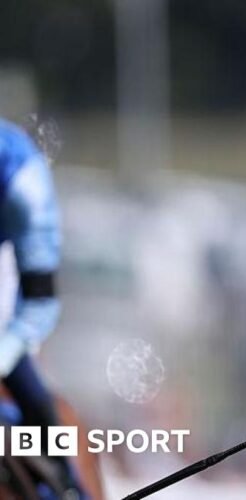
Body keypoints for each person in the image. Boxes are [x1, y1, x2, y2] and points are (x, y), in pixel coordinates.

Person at [0, 118, 83, 498]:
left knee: (35, 403)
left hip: (7, 287)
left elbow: (39, 303)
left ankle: (65, 485)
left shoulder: (22, 177)